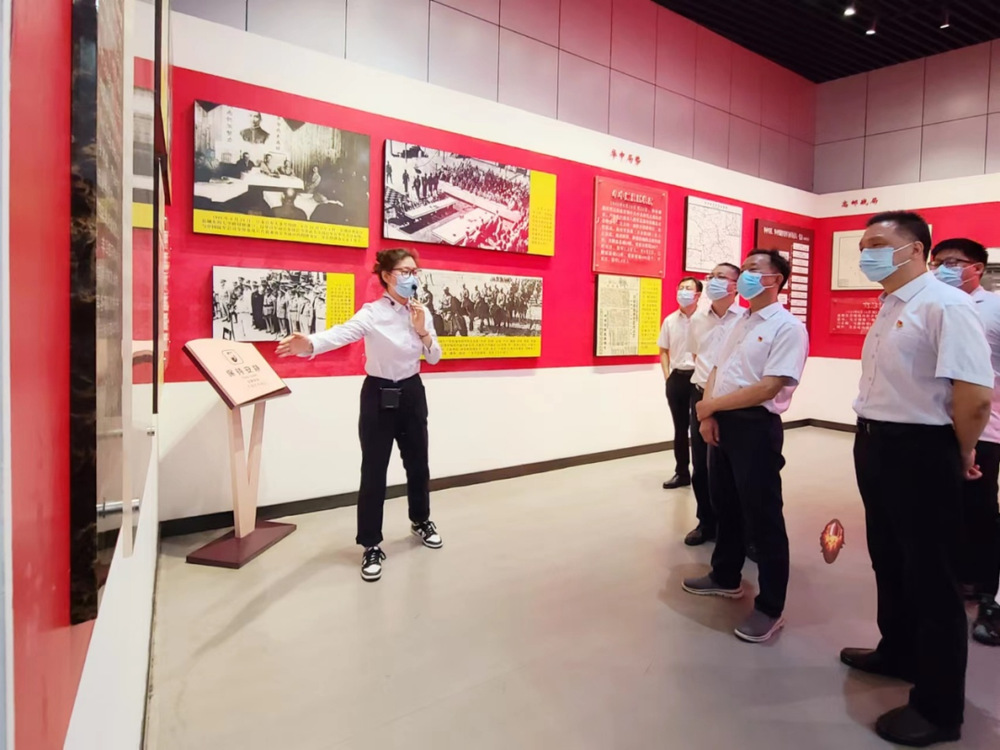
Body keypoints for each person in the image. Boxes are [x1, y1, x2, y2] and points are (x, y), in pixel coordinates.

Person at [843, 212, 994, 747]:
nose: (866, 253)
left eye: (877, 243)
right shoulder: (891, 304)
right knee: (888, 557)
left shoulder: (945, 305)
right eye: (863, 245)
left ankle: (938, 708)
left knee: (932, 577)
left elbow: (974, 396)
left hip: (921, 451)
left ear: (915, 250)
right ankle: (898, 651)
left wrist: (960, 451)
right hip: (876, 443)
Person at [277, 249, 443, 582]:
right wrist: (309, 344)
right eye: (405, 271)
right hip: (378, 394)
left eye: (415, 271)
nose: (412, 277)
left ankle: (421, 520)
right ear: (387, 275)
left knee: (418, 463)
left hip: (412, 392)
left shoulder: (421, 312)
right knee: (374, 470)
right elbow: (341, 333)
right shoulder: (372, 313)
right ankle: (371, 544)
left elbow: (435, 356)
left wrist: (423, 330)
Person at [683, 249, 808, 645]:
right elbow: (717, 369)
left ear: (776, 279)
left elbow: (769, 386)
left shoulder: (788, 327)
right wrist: (708, 415)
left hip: (755, 426)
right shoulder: (741, 321)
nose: (746, 276)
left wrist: (711, 406)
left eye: (755, 269)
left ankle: (770, 607)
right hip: (722, 421)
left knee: (763, 516)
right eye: (746, 268)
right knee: (725, 504)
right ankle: (725, 575)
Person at [929, 237, 1000, 647]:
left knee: (979, 506)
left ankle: (984, 583)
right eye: (937, 262)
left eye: (953, 262)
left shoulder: (993, 308)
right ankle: (954, 573)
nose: (943, 269)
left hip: (984, 427)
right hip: (938, 424)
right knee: (944, 505)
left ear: (977, 268)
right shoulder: (934, 305)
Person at [684, 263, 742, 546]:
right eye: (711, 276)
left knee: (734, 468)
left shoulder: (745, 319)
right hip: (701, 396)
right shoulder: (697, 319)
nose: (713, 281)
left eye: (721, 277)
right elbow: (698, 356)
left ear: (736, 285)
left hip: (733, 399)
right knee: (701, 465)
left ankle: (741, 530)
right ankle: (706, 522)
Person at [658, 278, 702, 489]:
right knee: (680, 428)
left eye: (688, 288)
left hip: (699, 378)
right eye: (681, 288)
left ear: (698, 295)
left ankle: (702, 473)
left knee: (699, 428)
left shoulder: (705, 319)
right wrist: (668, 377)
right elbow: (663, 350)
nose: (683, 292)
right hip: (677, 378)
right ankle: (682, 473)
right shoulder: (670, 321)